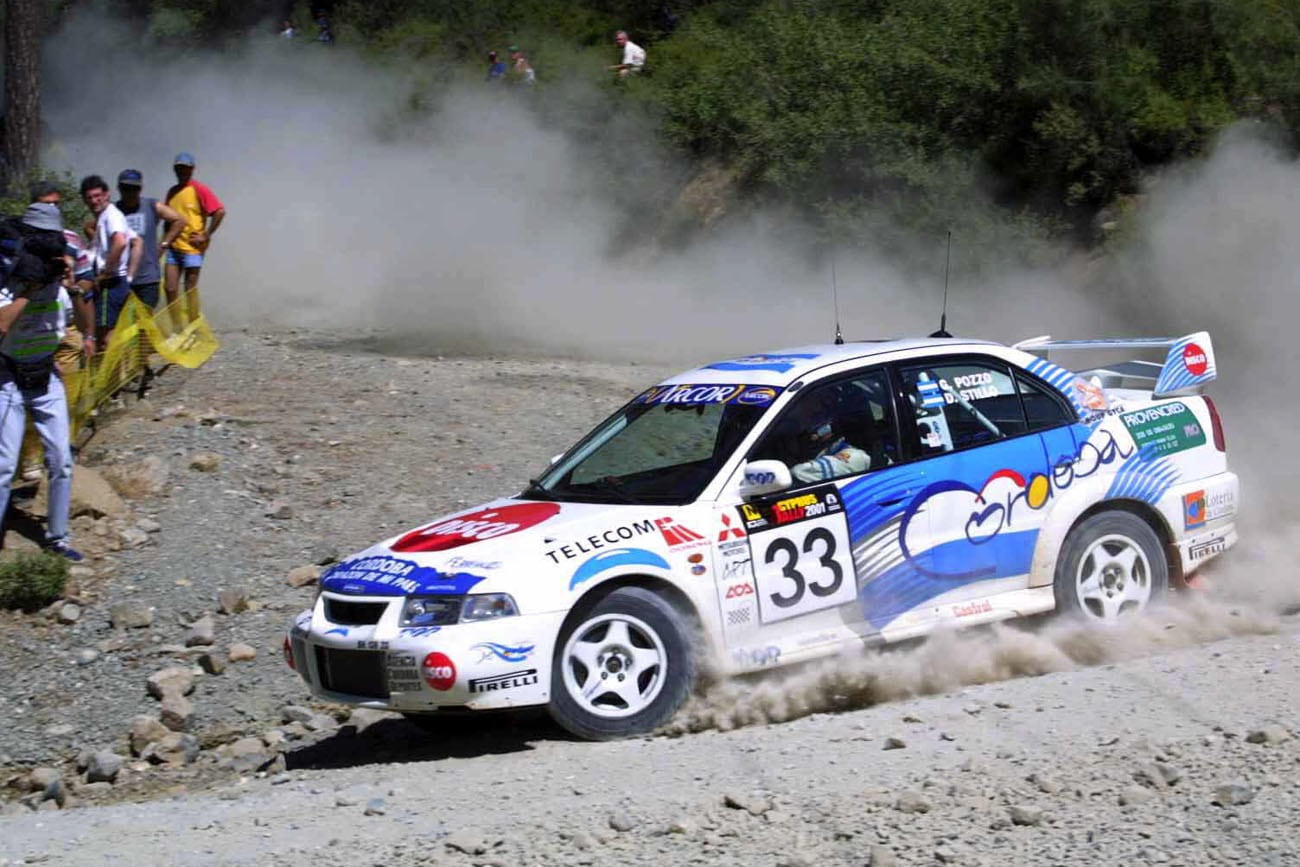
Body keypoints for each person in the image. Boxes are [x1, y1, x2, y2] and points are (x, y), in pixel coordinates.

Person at [0, 202, 86, 560]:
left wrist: (73, 286)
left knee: (61, 461)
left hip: (45, 376)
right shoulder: (10, 285)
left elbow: (76, 322)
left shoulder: (58, 287)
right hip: (10, 379)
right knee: (4, 467)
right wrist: (28, 292)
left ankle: (58, 537)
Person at [164, 153, 226, 324]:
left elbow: (219, 211)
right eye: (179, 168)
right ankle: (176, 326)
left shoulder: (199, 189)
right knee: (170, 288)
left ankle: (192, 324)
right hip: (174, 247)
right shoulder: (172, 192)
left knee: (189, 289)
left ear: (192, 169)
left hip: (193, 248)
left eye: (185, 168)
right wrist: (164, 242)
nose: (182, 171)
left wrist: (206, 234)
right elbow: (168, 219)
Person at [80, 175, 137, 347]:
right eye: (89, 197)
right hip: (116, 282)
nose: (94, 201)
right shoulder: (107, 216)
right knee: (110, 332)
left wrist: (105, 273)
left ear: (107, 195)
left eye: (98, 196)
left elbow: (120, 242)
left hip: (110, 284)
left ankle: (109, 373)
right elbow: (137, 242)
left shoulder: (111, 215)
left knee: (105, 337)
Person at [115, 169, 182, 311]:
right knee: (124, 323)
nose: (130, 192)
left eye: (135, 188)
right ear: (119, 188)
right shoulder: (114, 210)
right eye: (126, 188)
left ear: (140, 189)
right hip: (121, 278)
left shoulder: (151, 206)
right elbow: (91, 227)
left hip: (148, 279)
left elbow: (179, 220)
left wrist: (163, 244)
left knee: (143, 322)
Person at [786, 389, 870, 484]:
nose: (806, 426)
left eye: (814, 416)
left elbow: (798, 472)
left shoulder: (855, 457)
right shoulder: (820, 450)